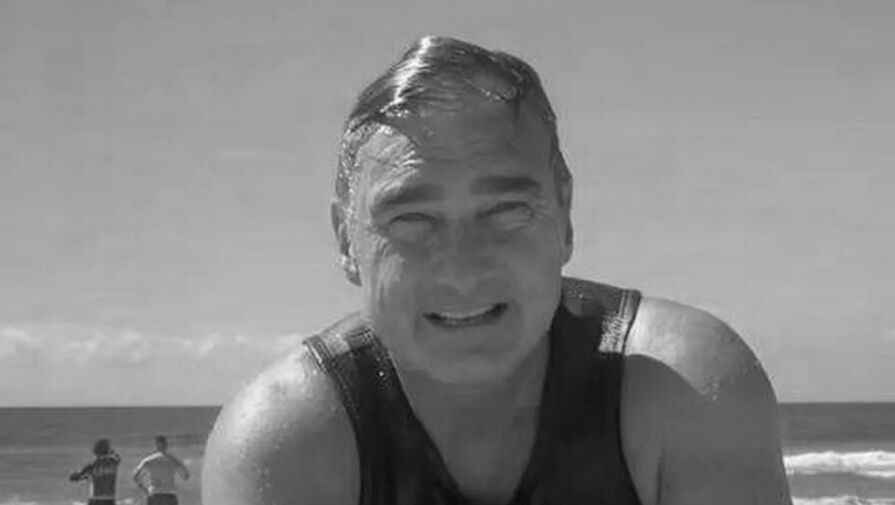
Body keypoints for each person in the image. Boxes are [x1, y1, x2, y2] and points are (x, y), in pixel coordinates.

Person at [202, 36, 793, 505]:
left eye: (507, 211)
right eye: (412, 219)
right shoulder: (289, 442)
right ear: (346, 240)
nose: (462, 270)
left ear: (564, 214)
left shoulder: (684, 391)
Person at [132, 435, 190, 505]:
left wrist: (145, 490)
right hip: (170, 494)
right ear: (166, 445)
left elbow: (135, 477)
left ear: (156, 445)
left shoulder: (149, 460)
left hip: (154, 493)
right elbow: (186, 476)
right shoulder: (173, 460)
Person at [68, 438, 121, 505]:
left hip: (96, 499)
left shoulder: (93, 466)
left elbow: (75, 477)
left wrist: (77, 475)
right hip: (110, 499)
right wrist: (111, 452)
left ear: (96, 453)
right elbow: (117, 457)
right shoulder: (113, 463)